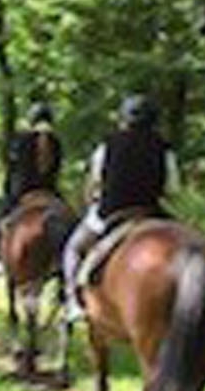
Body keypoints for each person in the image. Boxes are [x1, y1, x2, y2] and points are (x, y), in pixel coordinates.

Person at [60, 94, 182, 316]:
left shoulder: (108, 145)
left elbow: (95, 183)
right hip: (151, 212)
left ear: (124, 117)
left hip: (112, 213)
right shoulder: (164, 148)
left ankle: (73, 302)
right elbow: (172, 189)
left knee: (74, 248)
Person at [0, 102, 65, 271]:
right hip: (50, 192)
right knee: (71, 219)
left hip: (24, 192)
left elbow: (15, 171)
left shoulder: (21, 140)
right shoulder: (56, 141)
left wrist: (10, 192)